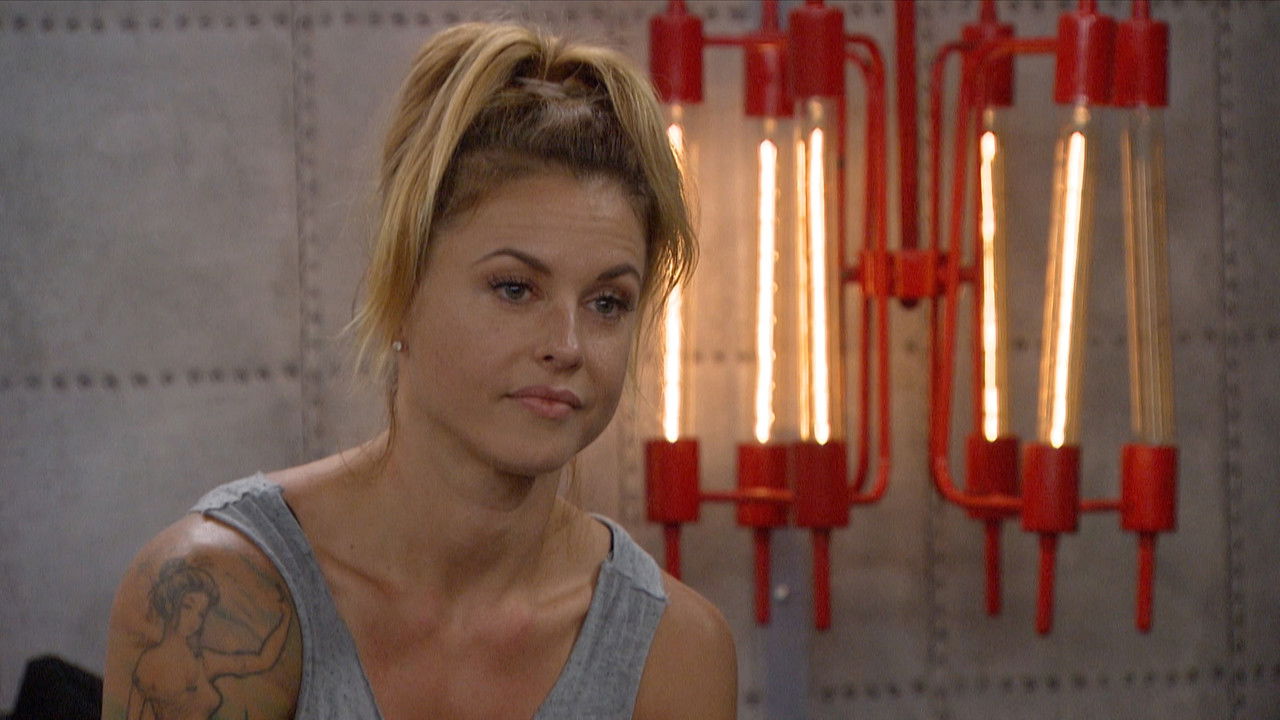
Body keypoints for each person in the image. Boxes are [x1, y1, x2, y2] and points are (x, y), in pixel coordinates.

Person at [102, 21, 737, 720]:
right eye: (515, 288)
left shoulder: (675, 653)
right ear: (402, 289)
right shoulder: (216, 596)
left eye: (607, 302)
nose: (568, 344)